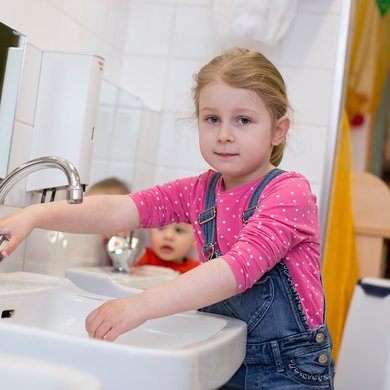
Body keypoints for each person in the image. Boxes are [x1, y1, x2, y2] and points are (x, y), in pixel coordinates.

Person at [0, 48, 334, 389]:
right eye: (212, 118)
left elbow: (235, 270)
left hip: (289, 367)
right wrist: (34, 214)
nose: (224, 135)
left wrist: (139, 306)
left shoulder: (289, 193)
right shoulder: (199, 190)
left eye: (243, 120)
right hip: (227, 354)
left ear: (278, 130)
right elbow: (118, 210)